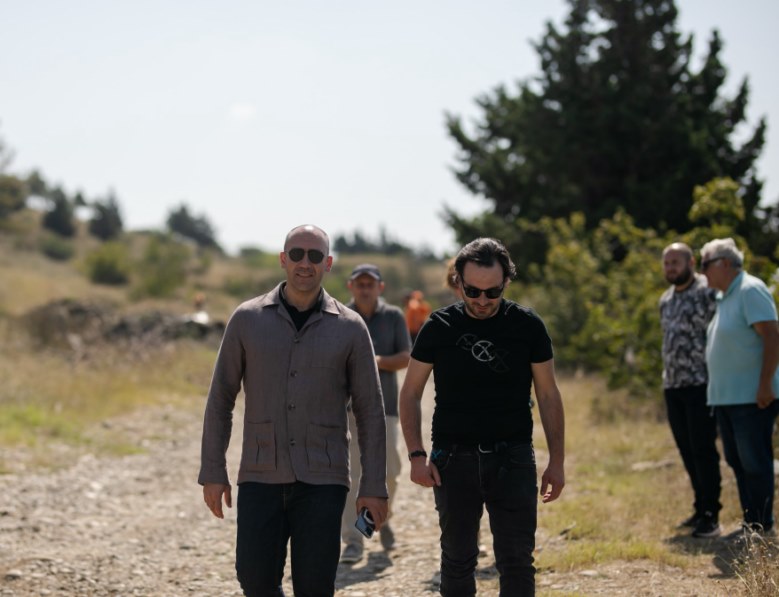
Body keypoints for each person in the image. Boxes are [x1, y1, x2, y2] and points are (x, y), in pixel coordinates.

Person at [198, 225, 388, 597]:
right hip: (260, 474)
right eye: (297, 254)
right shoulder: (247, 319)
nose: (305, 263)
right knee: (254, 580)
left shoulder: (351, 329)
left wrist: (373, 485)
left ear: (328, 264)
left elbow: (370, 411)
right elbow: (221, 398)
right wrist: (213, 470)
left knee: (315, 586)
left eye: (315, 256)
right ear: (283, 259)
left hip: (324, 479)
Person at [399, 237, 565, 596]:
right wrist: (416, 455)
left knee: (517, 560)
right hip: (452, 458)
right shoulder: (439, 326)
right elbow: (410, 392)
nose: (482, 301)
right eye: (472, 291)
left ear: (506, 282)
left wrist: (557, 461)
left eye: (493, 292)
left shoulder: (528, 326)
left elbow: (548, 394)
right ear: (458, 281)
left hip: (513, 457)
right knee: (457, 560)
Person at [702, 237, 779, 535]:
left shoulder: (750, 290)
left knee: (754, 462)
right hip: (727, 398)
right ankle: (751, 522)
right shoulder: (725, 297)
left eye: (706, 264)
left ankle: (761, 525)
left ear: (724, 263)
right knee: (737, 461)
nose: (702, 272)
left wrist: (765, 385)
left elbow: (772, 336)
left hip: (751, 398)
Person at [340, 263, 411, 563]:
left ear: (380, 287)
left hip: (386, 408)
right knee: (353, 475)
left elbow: (406, 357)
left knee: (390, 472)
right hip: (349, 410)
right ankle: (354, 540)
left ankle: (383, 518)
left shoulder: (393, 316)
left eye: (371, 284)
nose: (365, 289)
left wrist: (372, 360)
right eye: (360, 284)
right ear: (351, 286)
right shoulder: (340, 316)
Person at [659, 242, 721, 538]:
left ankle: (711, 514)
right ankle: (699, 507)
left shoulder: (708, 293)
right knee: (686, 449)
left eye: (676, 262)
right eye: (666, 263)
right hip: (673, 385)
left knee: (703, 449)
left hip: (701, 384)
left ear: (691, 263)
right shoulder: (665, 300)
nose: (670, 268)